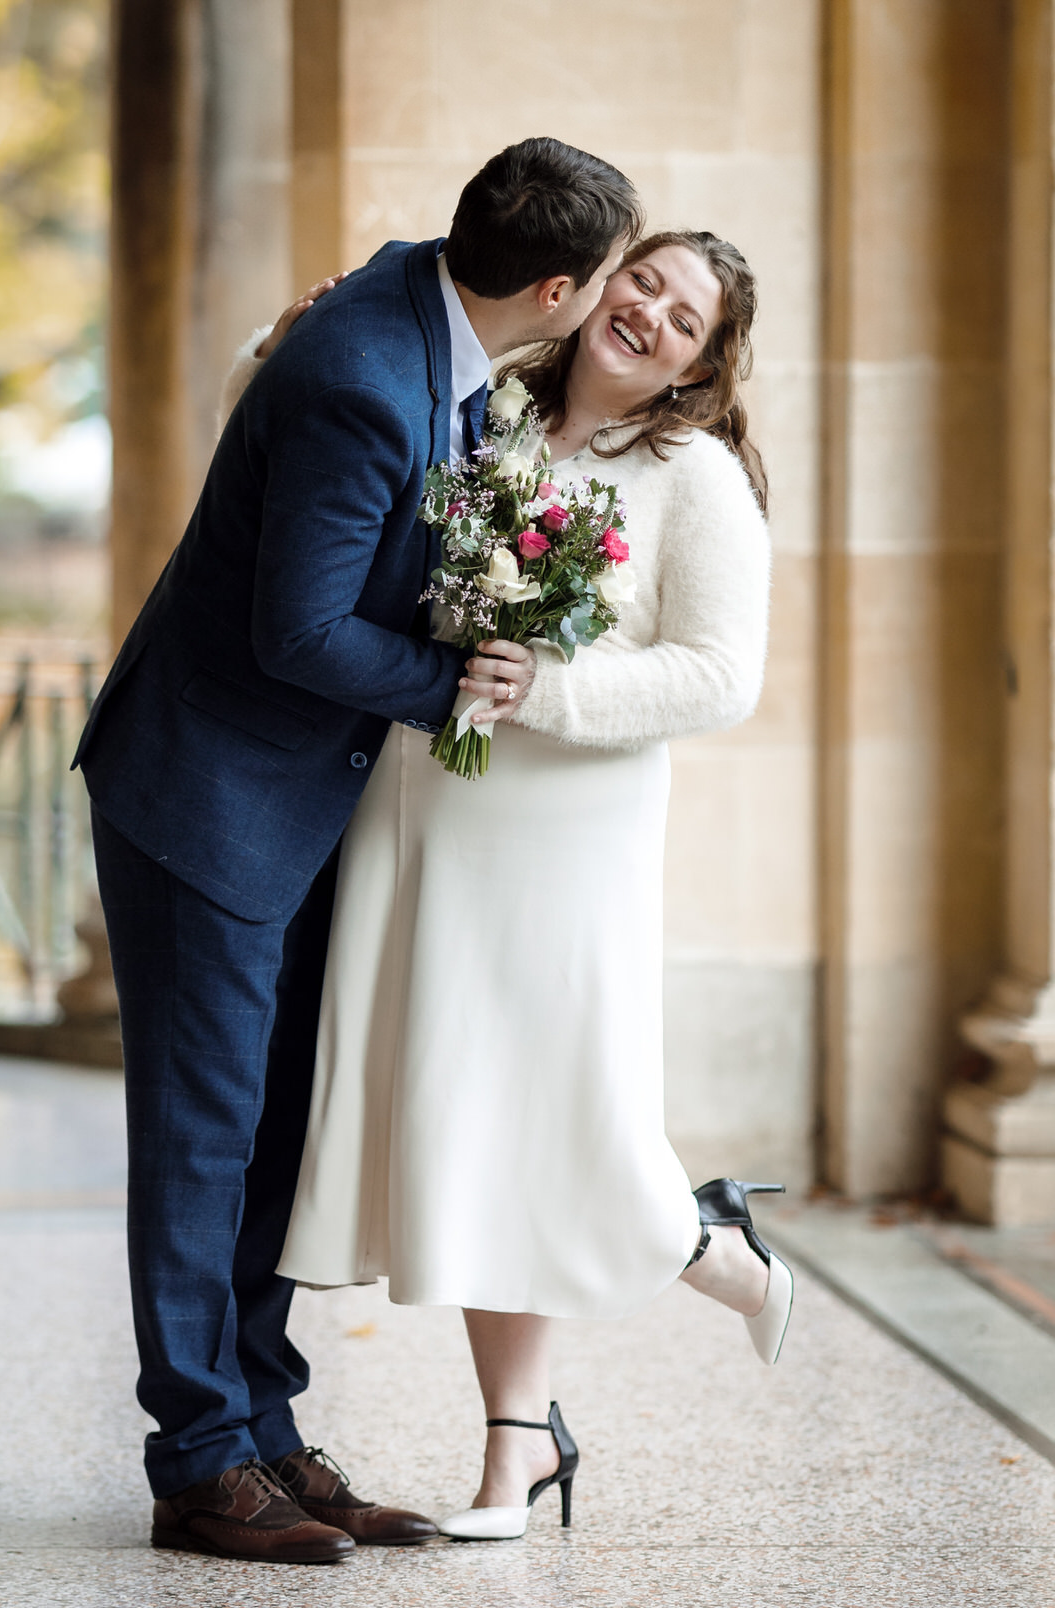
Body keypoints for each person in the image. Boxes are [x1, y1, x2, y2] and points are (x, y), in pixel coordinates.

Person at [70, 137, 643, 1566]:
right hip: (206, 794)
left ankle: (263, 1429)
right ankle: (199, 1460)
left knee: (273, 1126)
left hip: (293, 798)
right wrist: (461, 682)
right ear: (559, 289)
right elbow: (301, 631)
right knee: (206, 1140)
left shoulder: (421, 317)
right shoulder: (360, 377)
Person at [236, 228, 789, 1543]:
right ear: (596, 287)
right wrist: (275, 354)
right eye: (641, 281)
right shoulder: (480, 411)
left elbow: (721, 674)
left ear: (700, 368)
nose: (648, 312)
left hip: (569, 831)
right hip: (425, 807)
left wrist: (557, 690)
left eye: (684, 316)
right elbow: (325, 501)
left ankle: (703, 1243)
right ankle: (518, 1449)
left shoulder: (693, 476)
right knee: (479, 1130)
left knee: (552, 1109)